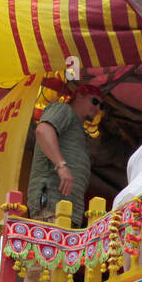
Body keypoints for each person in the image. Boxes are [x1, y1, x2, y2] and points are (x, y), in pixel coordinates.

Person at [27, 83, 102, 226]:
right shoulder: (64, 109)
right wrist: (61, 165)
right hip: (52, 204)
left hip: (69, 211)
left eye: (101, 106)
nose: (98, 108)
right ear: (79, 96)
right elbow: (43, 130)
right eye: (95, 101)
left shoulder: (79, 130)